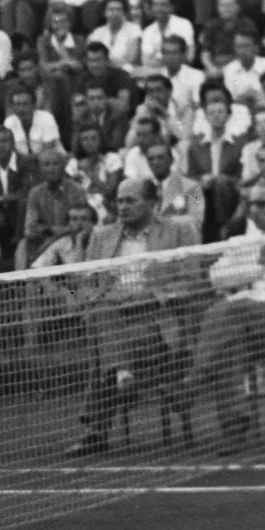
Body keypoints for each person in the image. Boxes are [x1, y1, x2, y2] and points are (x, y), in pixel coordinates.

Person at [68, 177, 202, 456]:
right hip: (112, 316)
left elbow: (193, 282)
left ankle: (97, 430)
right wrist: (101, 299)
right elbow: (86, 286)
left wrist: (152, 295)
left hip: (157, 320)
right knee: (103, 318)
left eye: (131, 200)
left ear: (153, 203)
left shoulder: (179, 231)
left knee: (103, 345)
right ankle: (122, 372)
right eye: (119, 200)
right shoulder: (101, 236)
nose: (122, 206)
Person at [186, 181, 265, 451]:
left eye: (262, 204)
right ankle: (234, 426)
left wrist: (249, 275)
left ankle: (191, 384)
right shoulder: (242, 241)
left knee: (229, 309)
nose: (255, 210)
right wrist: (258, 269)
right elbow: (216, 276)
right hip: (250, 317)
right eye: (251, 204)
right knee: (231, 343)